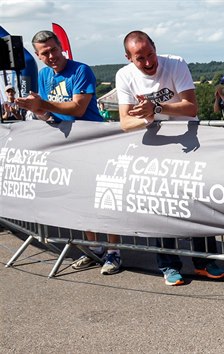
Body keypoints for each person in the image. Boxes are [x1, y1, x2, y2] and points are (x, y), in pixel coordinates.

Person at [116, 30, 224, 285]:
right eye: (140, 58)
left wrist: (155, 108)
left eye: (150, 54)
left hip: (188, 140)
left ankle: (205, 260)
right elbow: (124, 122)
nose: (147, 62)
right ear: (128, 58)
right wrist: (148, 118)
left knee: (198, 199)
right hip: (155, 145)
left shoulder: (175, 63)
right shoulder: (124, 76)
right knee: (162, 204)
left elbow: (191, 106)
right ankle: (168, 264)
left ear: (156, 48)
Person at [15, 30, 122, 275]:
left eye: (54, 49)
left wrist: (42, 104)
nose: (51, 56)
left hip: (93, 143)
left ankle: (114, 252)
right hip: (66, 147)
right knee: (79, 199)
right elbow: (49, 115)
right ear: (38, 55)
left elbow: (78, 107)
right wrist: (38, 111)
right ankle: (94, 249)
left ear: (61, 46)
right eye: (45, 53)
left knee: (104, 199)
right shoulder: (43, 75)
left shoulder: (80, 70)